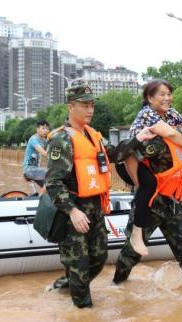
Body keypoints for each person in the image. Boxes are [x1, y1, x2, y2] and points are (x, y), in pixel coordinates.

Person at [45, 84, 151, 308]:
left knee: (99, 258)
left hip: (95, 209)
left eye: (92, 105)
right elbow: (53, 183)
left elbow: (116, 154)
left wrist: (139, 138)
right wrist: (72, 212)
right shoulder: (61, 140)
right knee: (79, 266)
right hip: (73, 212)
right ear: (71, 107)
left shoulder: (94, 136)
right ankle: (84, 316)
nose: (90, 110)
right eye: (85, 105)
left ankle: (64, 286)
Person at [113, 99, 182, 284]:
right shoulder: (163, 142)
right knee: (130, 255)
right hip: (150, 204)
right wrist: (137, 183)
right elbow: (126, 155)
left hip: (173, 205)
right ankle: (117, 285)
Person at [124, 80, 182, 257]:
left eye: (169, 94)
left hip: (153, 162)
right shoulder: (147, 113)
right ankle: (136, 236)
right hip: (134, 159)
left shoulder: (171, 114)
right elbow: (171, 133)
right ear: (150, 98)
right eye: (162, 94)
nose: (167, 98)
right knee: (148, 185)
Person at [22, 120, 50, 192]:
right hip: (29, 169)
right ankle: (41, 200)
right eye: (43, 128)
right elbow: (44, 153)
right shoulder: (33, 139)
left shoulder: (43, 140)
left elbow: (50, 149)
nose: (46, 130)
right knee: (52, 173)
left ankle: (42, 199)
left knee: (49, 187)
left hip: (35, 169)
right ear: (37, 129)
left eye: (47, 128)